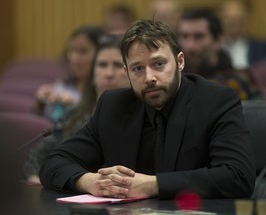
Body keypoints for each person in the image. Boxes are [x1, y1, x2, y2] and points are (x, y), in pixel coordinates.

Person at [39, 19, 255, 199]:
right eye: (138, 68)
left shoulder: (216, 101)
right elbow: (53, 163)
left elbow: (238, 177)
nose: (149, 77)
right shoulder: (113, 106)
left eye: (158, 64)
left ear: (180, 62)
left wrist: (153, 185)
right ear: (127, 71)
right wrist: (91, 181)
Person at [24, 38, 130, 185]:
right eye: (102, 65)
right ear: (92, 74)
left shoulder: (138, 118)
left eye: (117, 65)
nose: (109, 73)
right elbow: (37, 157)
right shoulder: (75, 112)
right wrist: (37, 179)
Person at [176, 8, 260, 100]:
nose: (190, 46)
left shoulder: (239, 81)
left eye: (198, 36)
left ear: (218, 41)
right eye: (184, 36)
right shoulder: (174, 80)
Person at [34, 25, 103, 122]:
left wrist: (76, 106)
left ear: (101, 54)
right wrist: (41, 103)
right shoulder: (61, 85)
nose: (74, 58)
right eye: (71, 50)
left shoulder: (105, 89)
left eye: (83, 51)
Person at [219, 0, 266, 69]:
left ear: (246, 21)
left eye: (239, 19)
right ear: (220, 20)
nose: (235, 23)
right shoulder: (213, 46)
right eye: (230, 19)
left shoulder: (260, 46)